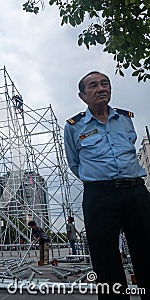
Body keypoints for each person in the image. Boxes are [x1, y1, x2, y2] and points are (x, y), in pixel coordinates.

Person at [64, 71, 150, 299]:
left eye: (105, 84)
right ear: (82, 96)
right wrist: (99, 180)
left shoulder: (125, 119)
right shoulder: (74, 126)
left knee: (147, 252)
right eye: (93, 86)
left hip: (136, 192)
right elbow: (75, 163)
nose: (101, 88)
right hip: (99, 196)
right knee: (105, 260)